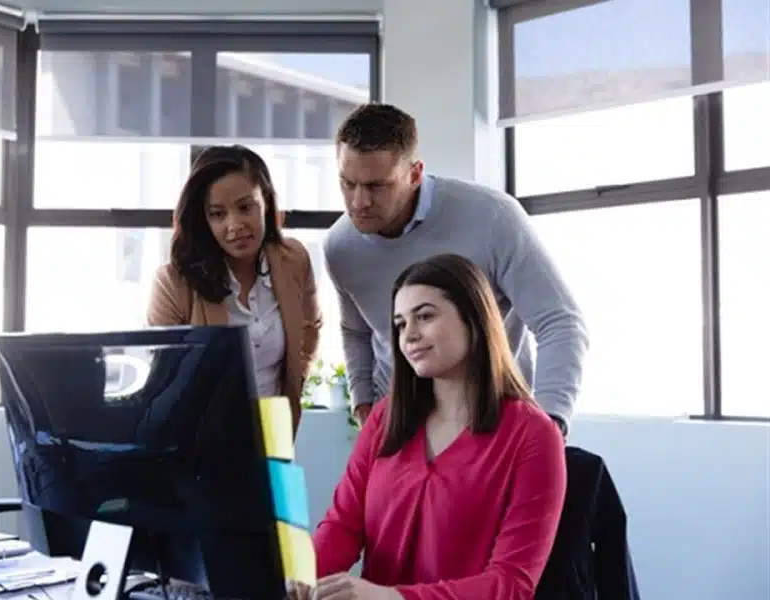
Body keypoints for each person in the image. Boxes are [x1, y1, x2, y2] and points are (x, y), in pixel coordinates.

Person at [288, 254, 567, 600]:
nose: (410, 335)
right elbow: (343, 525)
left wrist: (394, 598)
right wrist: (298, 579)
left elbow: (511, 584)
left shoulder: (533, 435)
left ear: (474, 318)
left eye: (425, 316)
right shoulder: (385, 418)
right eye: (401, 324)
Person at [324, 103, 588, 434]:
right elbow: (356, 330)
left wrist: (549, 426)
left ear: (415, 173)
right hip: (399, 425)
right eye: (347, 183)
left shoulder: (494, 217)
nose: (358, 202)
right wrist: (363, 402)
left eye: (377, 186)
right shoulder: (340, 245)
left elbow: (560, 322)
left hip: (492, 419)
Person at [147, 145, 322, 433]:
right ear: (203, 219)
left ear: (265, 202)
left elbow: (309, 328)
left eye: (245, 207)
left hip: (275, 425)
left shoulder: (294, 259)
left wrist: (294, 382)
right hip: (202, 438)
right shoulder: (173, 283)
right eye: (217, 214)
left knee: (278, 479)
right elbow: (164, 380)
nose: (234, 225)